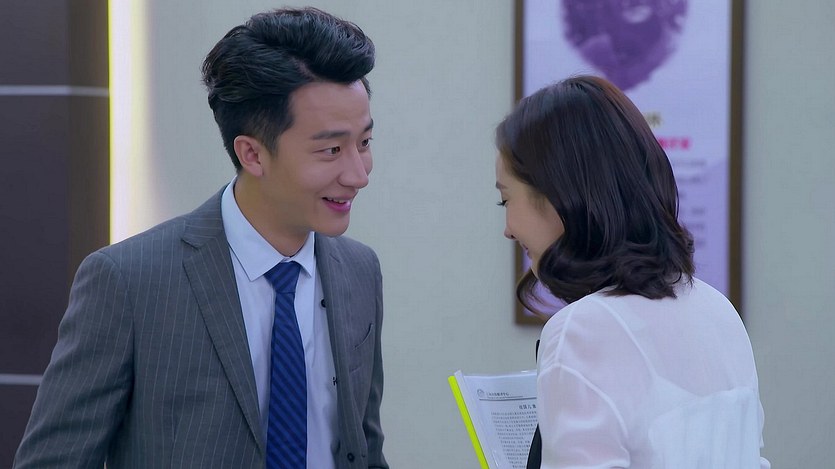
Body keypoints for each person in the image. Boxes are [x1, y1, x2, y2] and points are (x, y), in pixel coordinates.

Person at [14, 7, 387, 469]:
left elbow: (365, 447)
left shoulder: (360, 271)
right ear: (252, 153)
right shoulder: (129, 281)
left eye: (364, 143)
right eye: (331, 149)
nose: (358, 174)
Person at [494, 75, 769, 468]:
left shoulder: (582, 330)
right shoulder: (718, 310)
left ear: (559, 195)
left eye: (505, 199)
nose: (507, 229)